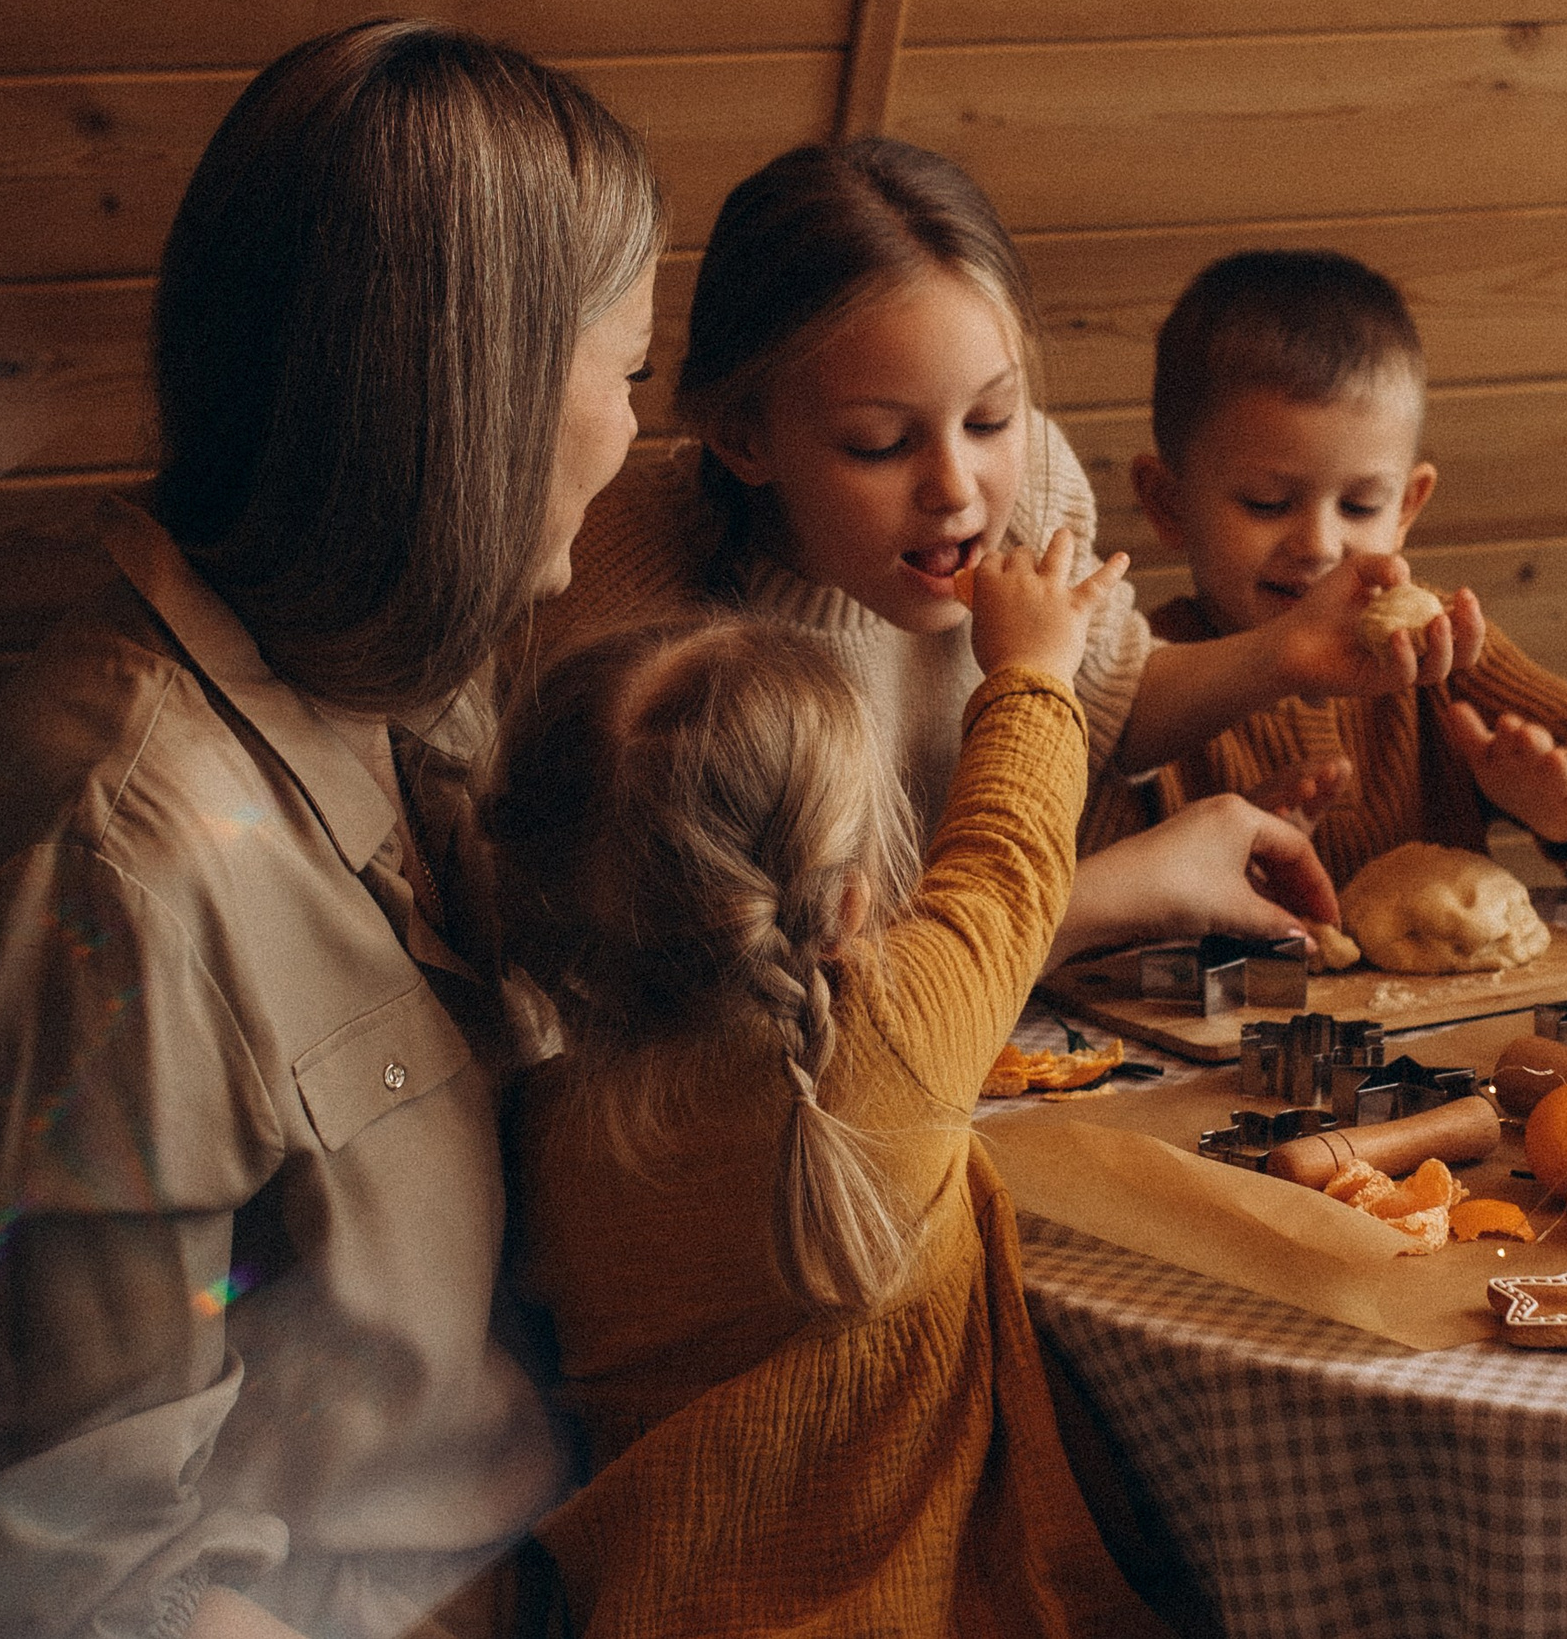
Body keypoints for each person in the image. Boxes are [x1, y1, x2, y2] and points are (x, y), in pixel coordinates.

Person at [0, 20, 663, 1639]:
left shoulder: (411, 687)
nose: (637, 432)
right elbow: (96, 1581)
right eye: (626, 373)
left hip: (567, 1532)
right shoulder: (116, 872)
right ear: (477, 407)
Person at [525, 139, 1487, 961]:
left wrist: (1282, 654)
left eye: (991, 417)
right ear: (744, 438)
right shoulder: (634, 592)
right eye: (880, 444)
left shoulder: (1026, 492)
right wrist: (1120, 893)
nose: (957, 487)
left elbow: (1109, 704)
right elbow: (780, 992)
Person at [492, 535, 1172, 1637]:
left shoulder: (536, 1135)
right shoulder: (892, 1041)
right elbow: (1009, 853)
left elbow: (1000, 870)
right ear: (854, 904)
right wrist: (1033, 666)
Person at [1090, 248, 1567, 883]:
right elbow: (1079, 884)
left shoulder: (1438, 649)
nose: (1319, 545)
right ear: (1168, 502)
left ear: (1408, 506)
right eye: (1266, 503)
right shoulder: (1140, 687)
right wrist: (1221, 855)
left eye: (1360, 506)